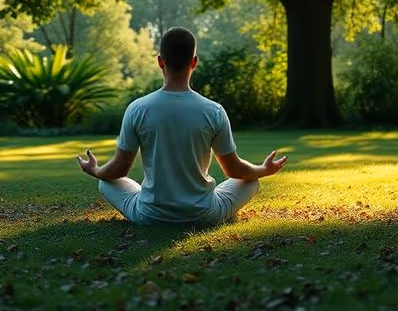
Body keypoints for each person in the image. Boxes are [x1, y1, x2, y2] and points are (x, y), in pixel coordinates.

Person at [76, 26, 288, 226]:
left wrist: (95, 170)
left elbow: (119, 170)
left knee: (105, 182)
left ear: (160, 61)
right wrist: (264, 170)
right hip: (206, 214)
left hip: (149, 215)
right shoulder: (213, 110)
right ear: (194, 62)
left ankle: (150, 200)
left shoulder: (137, 109)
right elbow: (233, 170)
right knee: (252, 181)